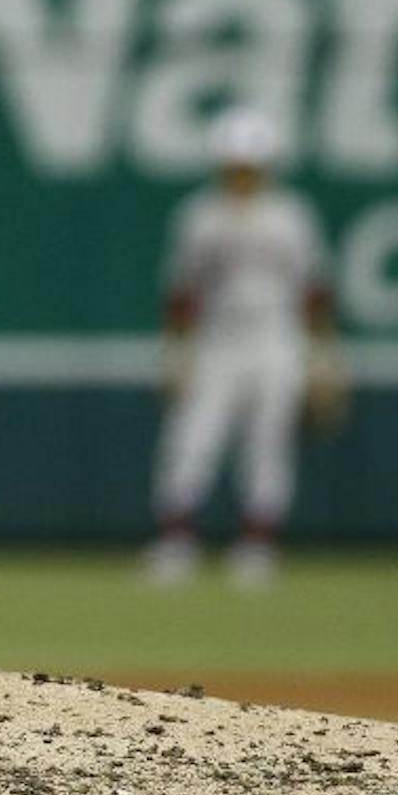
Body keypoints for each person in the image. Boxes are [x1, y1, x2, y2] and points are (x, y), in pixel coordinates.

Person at [143, 108, 345, 587]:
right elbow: (182, 293)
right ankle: (177, 541)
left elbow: (313, 291)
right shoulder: (199, 216)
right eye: (234, 164)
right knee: (193, 439)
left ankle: (257, 545)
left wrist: (324, 358)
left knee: (267, 443)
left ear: (266, 166)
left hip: (277, 340)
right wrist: (176, 353)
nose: (241, 174)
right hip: (218, 341)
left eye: (249, 166)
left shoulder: (291, 216)